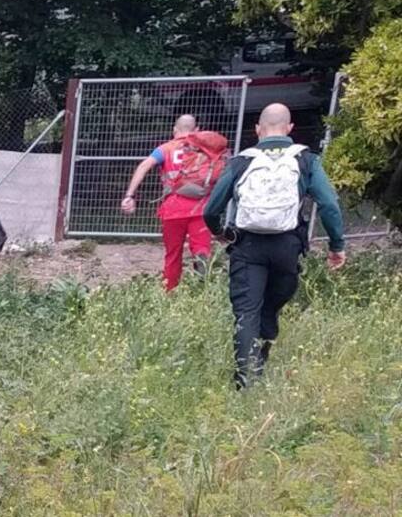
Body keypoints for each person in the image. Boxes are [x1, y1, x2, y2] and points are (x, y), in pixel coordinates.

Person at [203, 103, 346, 388]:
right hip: (287, 246)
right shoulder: (305, 159)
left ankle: (245, 381)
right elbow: (329, 205)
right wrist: (336, 245)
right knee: (270, 307)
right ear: (290, 128)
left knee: (247, 311)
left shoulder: (242, 161)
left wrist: (220, 232)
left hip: (248, 246)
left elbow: (211, 210)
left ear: (258, 129)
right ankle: (261, 359)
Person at [120, 115, 218, 291]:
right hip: (201, 209)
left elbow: (144, 166)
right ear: (196, 130)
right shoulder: (205, 148)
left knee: (173, 254)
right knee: (202, 250)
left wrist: (129, 195)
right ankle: (202, 292)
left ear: (174, 130)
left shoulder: (165, 149)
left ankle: (170, 292)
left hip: (173, 210)